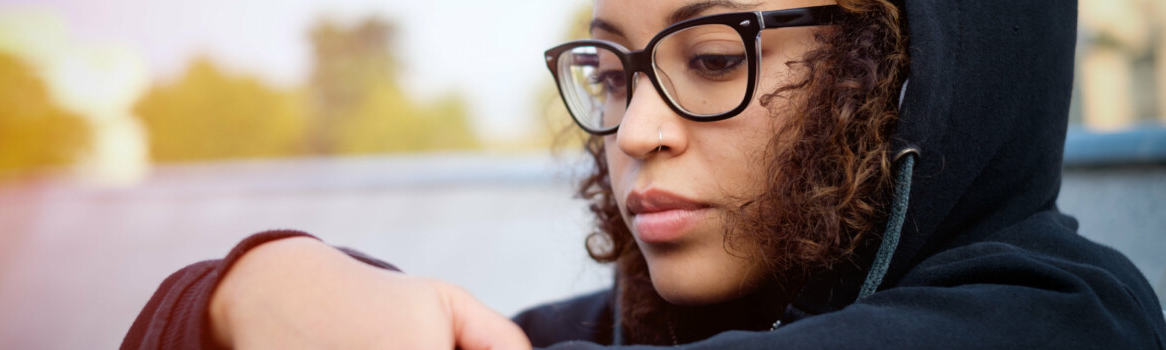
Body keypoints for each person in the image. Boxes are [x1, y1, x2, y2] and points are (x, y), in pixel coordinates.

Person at [122, 0, 1166, 349]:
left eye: (713, 57)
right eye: (613, 68)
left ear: (908, 66)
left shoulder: (1071, 316)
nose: (638, 130)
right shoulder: (605, 329)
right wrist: (225, 294)